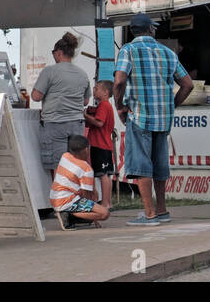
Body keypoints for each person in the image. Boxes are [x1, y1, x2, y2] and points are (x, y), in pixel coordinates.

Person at [114, 13, 194, 227]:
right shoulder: (168, 53)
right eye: (154, 27)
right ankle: (161, 210)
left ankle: (149, 214)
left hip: (139, 116)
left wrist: (119, 105)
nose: (155, 30)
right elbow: (188, 84)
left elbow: (120, 80)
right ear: (149, 29)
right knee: (159, 164)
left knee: (141, 166)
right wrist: (172, 105)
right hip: (163, 119)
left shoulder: (128, 50)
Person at [32, 32, 91, 178]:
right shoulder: (82, 73)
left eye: (53, 53)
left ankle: (62, 198)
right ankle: (75, 198)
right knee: (77, 165)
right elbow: (85, 101)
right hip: (77, 124)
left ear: (59, 53)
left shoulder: (49, 71)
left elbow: (36, 96)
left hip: (55, 124)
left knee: (59, 167)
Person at [50, 135, 110, 229]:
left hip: (55, 198)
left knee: (94, 205)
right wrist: (95, 217)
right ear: (87, 149)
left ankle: (69, 214)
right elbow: (87, 196)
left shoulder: (65, 156)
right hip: (68, 201)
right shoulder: (86, 168)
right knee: (104, 213)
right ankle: (69, 215)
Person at [83, 80, 116, 208]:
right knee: (107, 174)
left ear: (106, 92)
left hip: (100, 145)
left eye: (96, 89)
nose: (94, 91)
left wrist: (85, 116)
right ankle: (108, 202)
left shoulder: (104, 105)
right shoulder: (105, 106)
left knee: (103, 174)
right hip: (104, 144)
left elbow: (99, 122)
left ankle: (105, 202)